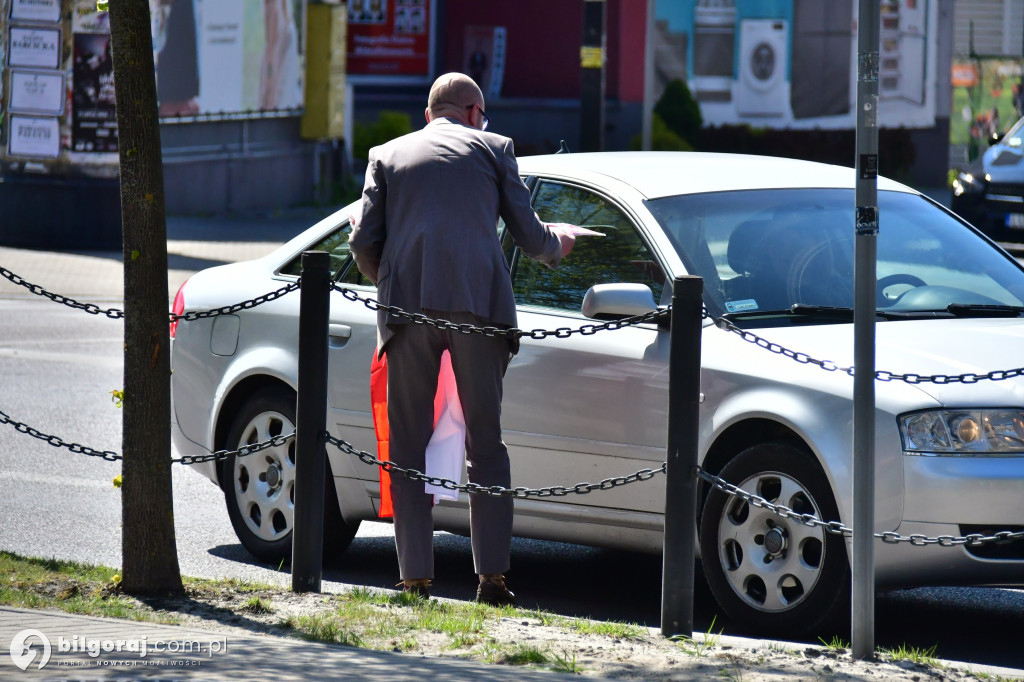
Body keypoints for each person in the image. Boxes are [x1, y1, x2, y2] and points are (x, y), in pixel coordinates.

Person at [349, 72, 575, 606]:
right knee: (485, 446)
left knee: (406, 446)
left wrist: (395, 280)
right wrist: (560, 242)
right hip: (480, 311)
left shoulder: (387, 155)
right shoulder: (496, 148)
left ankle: (414, 580)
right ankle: (492, 580)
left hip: (407, 310)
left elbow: (361, 241)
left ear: (431, 115)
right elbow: (531, 236)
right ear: (474, 112)